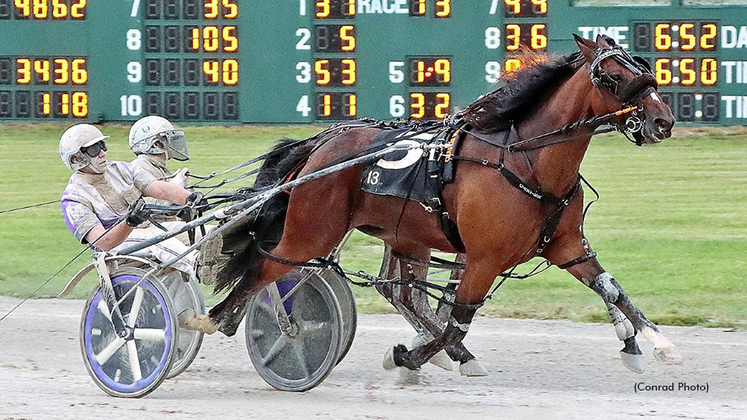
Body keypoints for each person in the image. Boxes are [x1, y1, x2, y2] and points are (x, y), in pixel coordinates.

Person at [59, 123, 202, 275]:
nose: (102, 153)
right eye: (94, 150)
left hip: (149, 229)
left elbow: (159, 188)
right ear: (76, 158)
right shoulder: (73, 200)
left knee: (203, 231)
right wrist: (129, 222)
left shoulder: (122, 169)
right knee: (156, 238)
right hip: (117, 246)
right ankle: (196, 266)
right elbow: (103, 242)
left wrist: (189, 198)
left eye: (102, 145)